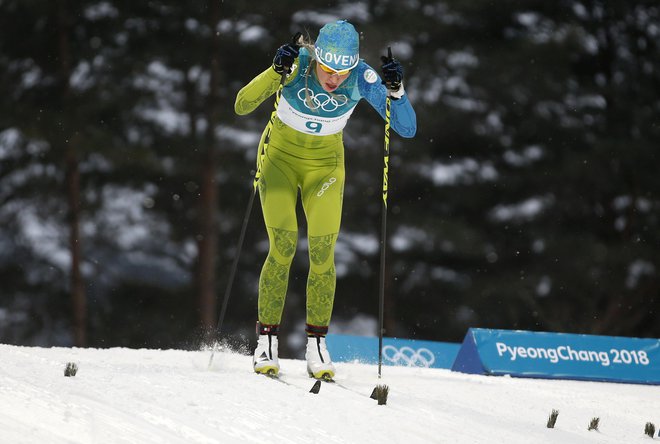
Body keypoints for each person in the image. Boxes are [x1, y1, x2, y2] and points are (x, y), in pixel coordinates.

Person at [234, 20, 416, 379]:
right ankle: (266, 341)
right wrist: (275, 72)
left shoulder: (361, 78)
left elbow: (406, 128)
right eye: (328, 69)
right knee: (282, 247)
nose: (334, 79)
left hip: (326, 168)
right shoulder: (298, 64)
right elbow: (242, 105)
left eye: (342, 71)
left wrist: (397, 92)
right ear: (317, 57)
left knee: (322, 253)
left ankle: (316, 344)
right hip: (280, 162)